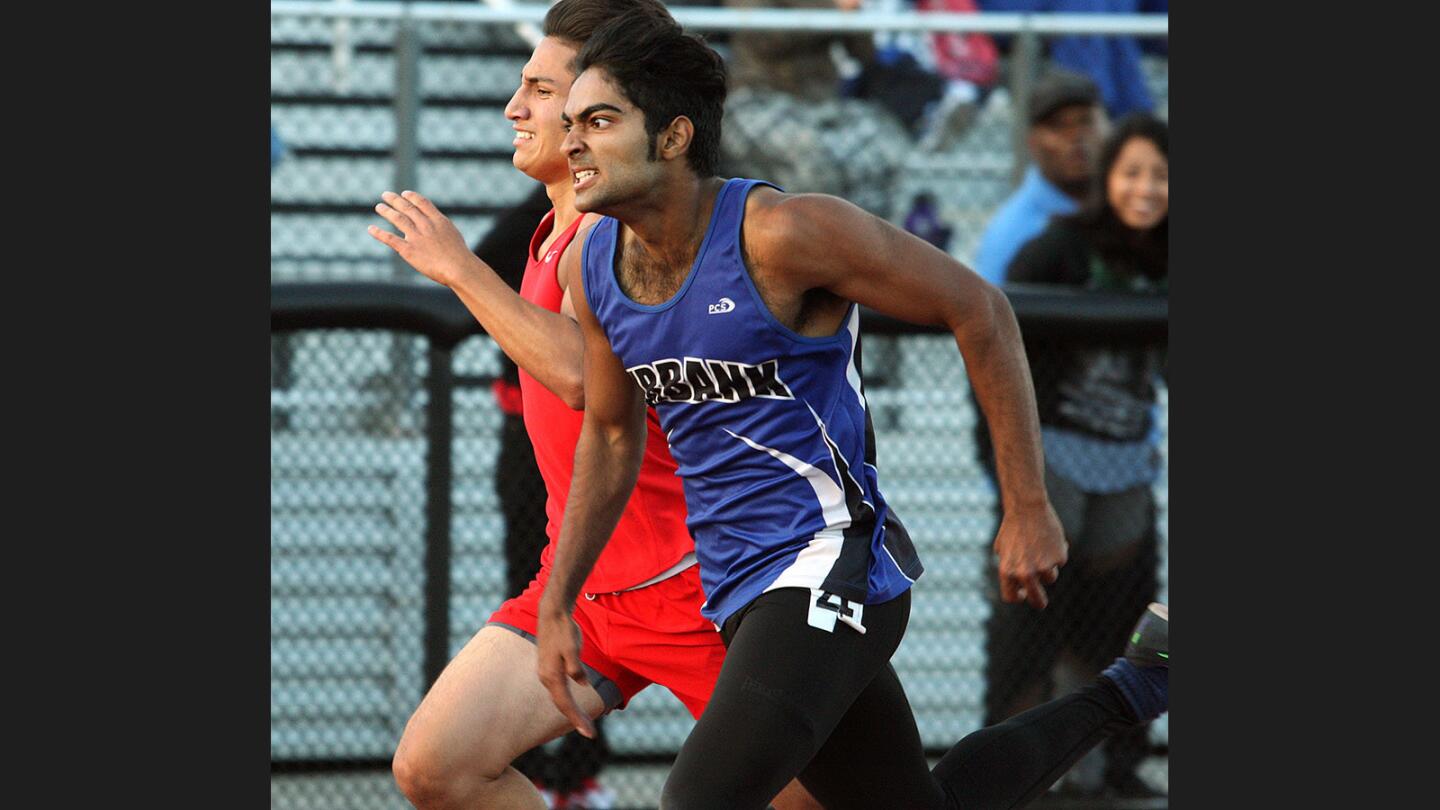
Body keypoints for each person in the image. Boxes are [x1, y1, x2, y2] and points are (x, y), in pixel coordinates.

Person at [534, 13, 1169, 810]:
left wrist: (1028, 504)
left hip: (831, 558)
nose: (574, 143)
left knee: (698, 801)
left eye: (598, 120)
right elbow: (613, 431)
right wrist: (558, 601)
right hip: (735, 578)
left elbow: (982, 310)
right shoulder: (594, 262)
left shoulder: (783, 233)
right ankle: (1131, 690)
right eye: (570, 125)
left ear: (672, 137)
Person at [366, 2, 820, 808]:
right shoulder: (552, 228)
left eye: (540, 89)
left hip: (698, 586)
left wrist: (461, 270)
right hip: (589, 586)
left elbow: (580, 374)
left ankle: (1110, 700)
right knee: (435, 765)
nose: (517, 108)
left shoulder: (618, 236)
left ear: (596, 111)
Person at [986, 113, 1168, 799]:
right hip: (1053, 466)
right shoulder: (1057, 249)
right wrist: (1013, 485)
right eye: (1132, 172)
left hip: (1127, 467)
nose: (1146, 188)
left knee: (1123, 630)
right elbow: (1001, 365)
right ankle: (1016, 778)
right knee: (1029, 634)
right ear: (1107, 178)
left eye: (1160, 174)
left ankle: (1108, 774)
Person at [471, 182, 615, 808]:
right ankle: (531, 768)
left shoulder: (615, 226)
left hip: (611, 446)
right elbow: (483, 287)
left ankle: (580, 773)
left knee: (602, 596)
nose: (518, 110)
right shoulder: (532, 225)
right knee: (539, 589)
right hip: (531, 446)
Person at [972, 69, 1105, 284]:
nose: (1076, 137)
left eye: (1086, 121)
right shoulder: (1013, 232)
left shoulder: (1128, 211)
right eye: (1059, 125)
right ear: (1032, 142)